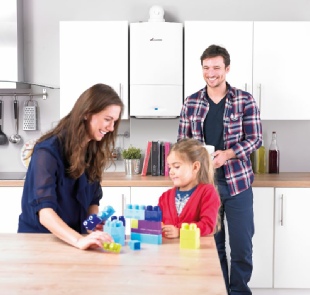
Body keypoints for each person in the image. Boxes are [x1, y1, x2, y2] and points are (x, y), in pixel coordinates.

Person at [177, 45, 262, 295]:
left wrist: (227, 154)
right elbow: (183, 142)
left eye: (216, 67)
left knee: (242, 247)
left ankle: (239, 292)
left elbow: (255, 138)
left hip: (238, 185)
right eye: (206, 68)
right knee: (212, 248)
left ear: (227, 68)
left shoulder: (244, 99)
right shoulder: (191, 102)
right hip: (205, 187)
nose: (211, 73)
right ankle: (219, 291)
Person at [18, 83, 123, 250]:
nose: (111, 128)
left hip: (73, 240)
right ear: (87, 113)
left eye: (114, 122)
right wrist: (78, 240)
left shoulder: (91, 151)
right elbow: (45, 213)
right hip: (41, 242)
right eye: (107, 119)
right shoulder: (47, 152)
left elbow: (92, 201)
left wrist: (92, 224)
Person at [158, 138, 221, 238]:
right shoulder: (165, 197)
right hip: (169, 250)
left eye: (177, 166)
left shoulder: (207, 192)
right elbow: (158, 222)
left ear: (195, 167)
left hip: (195, 250)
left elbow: (207, 225)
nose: (171, 172)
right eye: (170, 167)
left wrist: (180, 231)